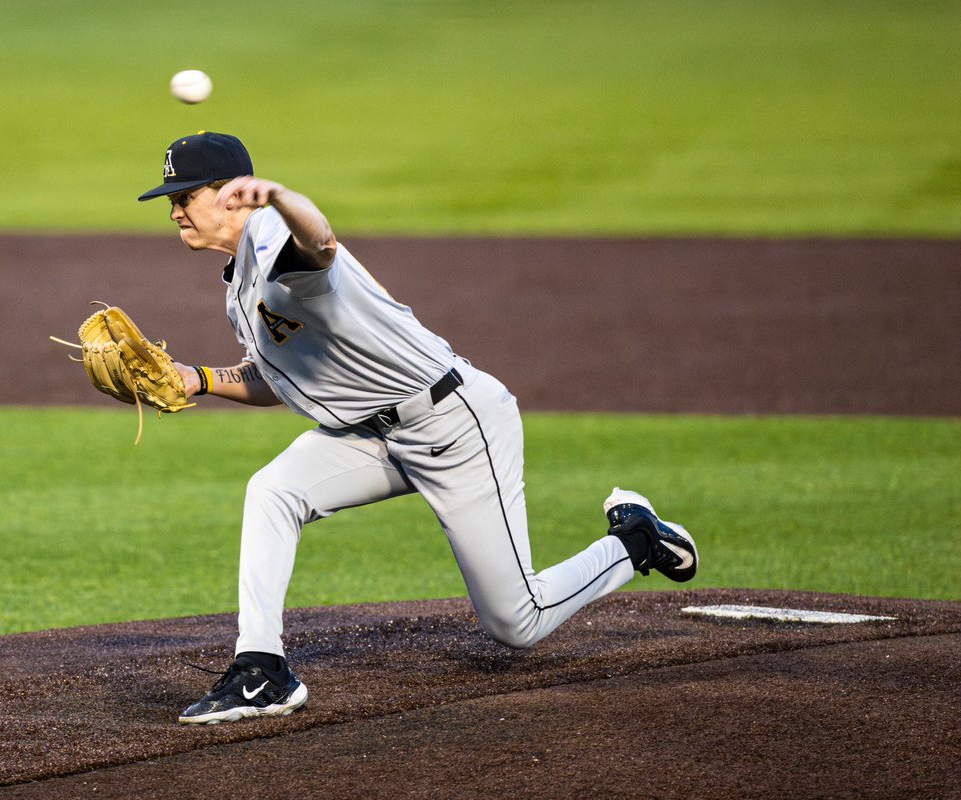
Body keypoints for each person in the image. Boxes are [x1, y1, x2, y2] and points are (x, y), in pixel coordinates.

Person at [136, 131, 699, 725]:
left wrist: (280, 196)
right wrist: (197, 378)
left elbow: (321, 241)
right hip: (372, 434)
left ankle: (637, 539)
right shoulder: (240, 279)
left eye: (185, 194)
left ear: (233, 197)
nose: (174, 209)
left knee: (517, 623)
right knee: (274, 490)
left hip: (453, 424)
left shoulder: (275, 237)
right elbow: (282, 379)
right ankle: (261, 670)